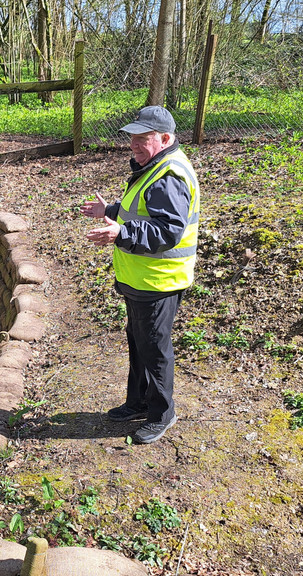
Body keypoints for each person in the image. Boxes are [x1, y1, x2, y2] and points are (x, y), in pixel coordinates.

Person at [81, 106, 200, 445]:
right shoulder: (154, 167)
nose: (133, 144)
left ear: (165, 138)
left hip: (159, 281)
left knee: (154, 349)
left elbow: (167, 231)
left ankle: (162, 414)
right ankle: (138, 402)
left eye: (142, 138)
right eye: (132, 137)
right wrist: (109, 211)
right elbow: (142, 211)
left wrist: (121, 233)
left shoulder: (169, 176)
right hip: (141, 279)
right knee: (139, 342)